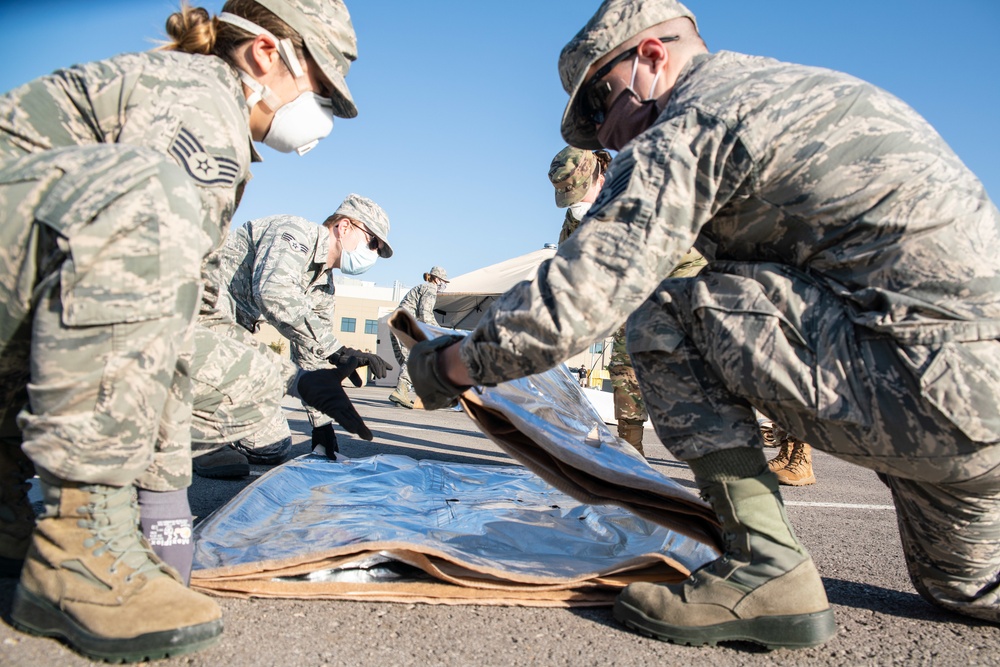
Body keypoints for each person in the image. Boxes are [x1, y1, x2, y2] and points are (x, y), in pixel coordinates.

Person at [406, 0, 1000, 651]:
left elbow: (584, 294)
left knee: (663, 293)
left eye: (603, 107)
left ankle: (765, 565)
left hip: (921, 392)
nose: (603, 136)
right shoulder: (795, 91)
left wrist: (448, 364)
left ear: (654, 56)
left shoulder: (690, 121)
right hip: (967, 413)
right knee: (962, 586)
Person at [0, 0, 365, 660]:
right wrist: (162, 509)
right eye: (322, 90)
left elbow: (174, 313)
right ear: (265, 54)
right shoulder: (201, 110)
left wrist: (296, 379)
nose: (324, 115)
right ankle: (79, 541)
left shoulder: (199, 101)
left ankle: (10, 511)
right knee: (147, 201)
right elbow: (155, 307)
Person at [208, 194, 394, 464]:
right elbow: (273, 293)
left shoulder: (324, 285)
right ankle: (199, 439)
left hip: (233, 339)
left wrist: (322, 426)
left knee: (271, 446)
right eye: (373, 242)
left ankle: (219, 425)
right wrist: (337, 350)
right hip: (199, 319)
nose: (374, 253)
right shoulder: (295, 233)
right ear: (344, 227)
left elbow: (311, 351)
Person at [549, 145, 705, 456]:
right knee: (624, 369)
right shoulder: (575, 218)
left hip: (679, 282)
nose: (576, 205)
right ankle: (631, 453)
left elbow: (687, 254)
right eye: (570, 199)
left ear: (601, 179)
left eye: (580, 194)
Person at [388, 266, 449, 408]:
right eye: (443, 281)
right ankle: (401, 391)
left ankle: (402, 393)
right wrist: (440, 331)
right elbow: (425, 314)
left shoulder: (421, 287)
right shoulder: (430, 289)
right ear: (436, 279)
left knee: (406, 359)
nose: (444, 285)